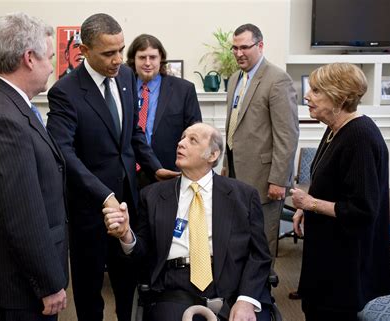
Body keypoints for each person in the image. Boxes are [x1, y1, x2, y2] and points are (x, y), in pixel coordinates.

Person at [46, 13, 178, 321]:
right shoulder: (65, 92)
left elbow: (133, 134)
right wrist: (103, 195)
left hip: (128, 204)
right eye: (109, 53)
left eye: (120, 49)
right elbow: (63, 154)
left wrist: (155, 168)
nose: (119, 59)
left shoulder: (126, 78)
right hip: (89, 209)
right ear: (85, 51)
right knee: (90, 290)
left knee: (127, 284)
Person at [103, 123, 273, 321]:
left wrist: (246, 299)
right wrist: (126, 234)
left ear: (213, 155)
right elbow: (141, 253)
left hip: (233, 284)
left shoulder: (243, 195)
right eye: (182, 137)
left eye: (192, 140)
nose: (181, 143)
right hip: (175, 287)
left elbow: (260, 255)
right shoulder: (153, 196)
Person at [0, 12, 68, 321]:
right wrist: (48, 284)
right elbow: (22, 215)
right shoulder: (3, 119)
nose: (52, 67)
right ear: (29, 58)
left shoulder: (4, 102)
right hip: (23, 281)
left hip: (20, 273)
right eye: (49, 58)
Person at [291, 63, 390, 321]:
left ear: (339, 96)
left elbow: (362, 210)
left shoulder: (360, 136)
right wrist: (307, 209)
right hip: (326, 256)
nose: (307, 96)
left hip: (343, 264)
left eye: (316, 91)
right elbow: (330, 184)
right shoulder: (334, 128)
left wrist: (310, 203)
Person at [221, 23, 299, 264]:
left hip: (266, 180)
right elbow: (233, 126)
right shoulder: (235, 78)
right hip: (236, 174)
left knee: (262, 243)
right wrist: (226, 164)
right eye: (234, 48)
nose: (238, 53)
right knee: (239, 239)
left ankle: (263, 296)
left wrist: (278, 179)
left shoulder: (278, 80)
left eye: (245, 47)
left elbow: (287, 134)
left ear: (260, 45)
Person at [126, 34, 202, 187]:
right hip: (127, 173)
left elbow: (196, 134)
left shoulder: (183, 90)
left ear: (161, 58)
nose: (148, 63)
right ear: (133, 60)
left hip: (169, 172)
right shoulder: (122, 89)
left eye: (153, 57)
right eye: (142, 57)